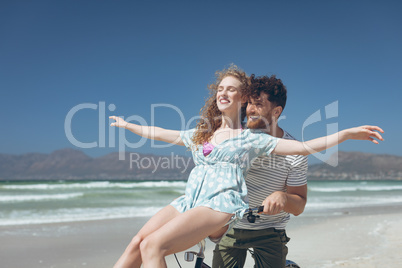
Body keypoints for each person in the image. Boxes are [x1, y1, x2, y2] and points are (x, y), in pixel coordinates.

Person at [109, 65, 384, 268]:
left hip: (222, 206)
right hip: (193, 201)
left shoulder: (250, 138)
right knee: (138, 243)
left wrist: (345, 134)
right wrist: (128, 125)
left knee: (155, 245)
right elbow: (161, 132)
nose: (223, 93)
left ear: (243, 99)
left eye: (231, 89)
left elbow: (303, 147)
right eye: (220, 89)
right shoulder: (203, 133)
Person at [213, 74, 308, 268]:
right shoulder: (235, 140)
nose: (250, 110)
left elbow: (298, 206)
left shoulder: (295, 150)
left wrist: (283, 197)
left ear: (276, 111)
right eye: (248, 104)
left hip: (271, 230)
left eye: (258, 104)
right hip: (232, 227)